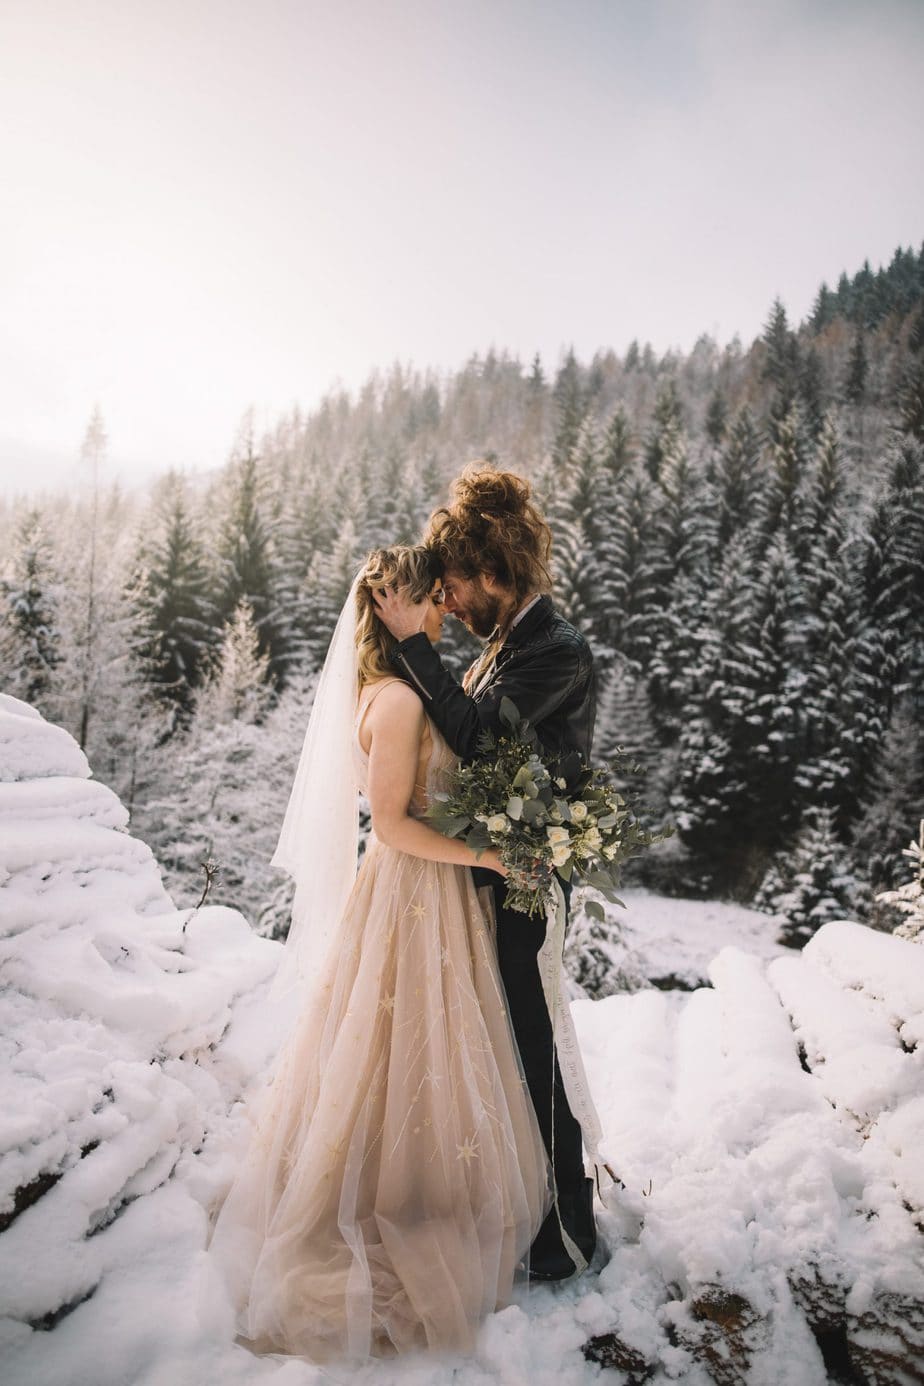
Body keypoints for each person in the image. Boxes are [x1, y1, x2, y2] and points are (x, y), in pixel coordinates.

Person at [207, 544, 550, 1362]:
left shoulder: (402, 686)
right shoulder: (396, 700)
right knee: (405, 1049)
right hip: (412, 892)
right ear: (403, 606)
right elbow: (393, 824)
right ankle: (395, 1199)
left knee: (419, 1051)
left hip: (428, 893)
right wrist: (492, 858)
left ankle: (418, 1181)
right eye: (434, 601)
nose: (444, 612)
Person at [374, 464, 598, 1282]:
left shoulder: (557, 650)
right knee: (504, 1041)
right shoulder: (506, 642)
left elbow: (476, 737)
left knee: (536, 1041)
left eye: (457, 585)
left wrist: (410, 647)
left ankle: (566, 1233)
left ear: (493, 570)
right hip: (491, 867)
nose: (450, 601)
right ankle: (521, 1204)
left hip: (530, 873)